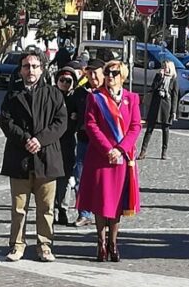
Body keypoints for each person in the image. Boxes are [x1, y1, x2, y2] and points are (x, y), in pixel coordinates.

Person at [0, 50, 67, 262]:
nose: (31, 70)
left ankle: (45, 245)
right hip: (20, 158)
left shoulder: (54, 93)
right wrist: (26, 139)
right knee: (19, 208)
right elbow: (6, 121)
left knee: (46, 207)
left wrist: (40, 140)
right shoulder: (12, 94)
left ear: (42, 69)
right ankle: (17, 244)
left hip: (47, 158)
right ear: (20, 70)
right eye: (27, 66)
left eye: (35, 66)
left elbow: (61, 122)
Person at [75, 59, 142, 262]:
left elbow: (136, 126)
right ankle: (101, 243)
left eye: (114, 73)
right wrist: (108, 149)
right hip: (100, 157)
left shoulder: (132, 98)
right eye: (108, 73)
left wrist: (121, 149)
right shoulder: (96, 98)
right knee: (101, 201)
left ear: (122, 75)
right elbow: (91, 124)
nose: (110, 77)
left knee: (117, 203)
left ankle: (114, 242)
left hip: (123, 158)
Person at [73, 58, 104, 227]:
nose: (93, 76)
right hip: (84, 141)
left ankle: (102, 211)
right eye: (90, 73)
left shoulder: (107, 93)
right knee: (81, 177)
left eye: (96, 73)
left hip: (103, 145)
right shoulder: (81, 92)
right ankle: (84, 213)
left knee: (101, 180)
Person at [53, 64, 79, 225]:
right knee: (50, 178)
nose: (65, 83)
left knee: (65, 177)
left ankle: (63, 209)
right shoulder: (50, 96)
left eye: (68, 80)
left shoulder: (76, 98)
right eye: (62, 80)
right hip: (51, 143)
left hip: (68, 142)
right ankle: (51, 209)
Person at [138, 59, 179, 160]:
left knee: (165, 130)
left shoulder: (173, 80)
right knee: (149, 129)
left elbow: (175, 97)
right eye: (164, 67)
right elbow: (153, 88)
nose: (165, 69)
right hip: (155, 105)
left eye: (166, 67)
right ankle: (143, 151)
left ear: (171, 68)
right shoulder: (158, 76)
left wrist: (173, 111)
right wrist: (160, 78)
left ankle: (164, 152)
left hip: (166, 107)